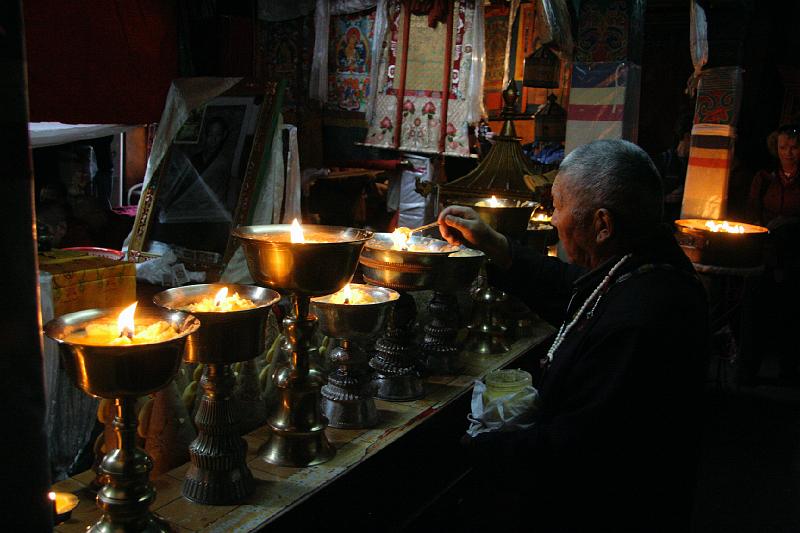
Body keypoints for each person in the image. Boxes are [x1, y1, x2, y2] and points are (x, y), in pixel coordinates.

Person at [438, 139, 709, 532]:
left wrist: (474, 448)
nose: (552, 219)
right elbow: (576, 290)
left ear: (603, 225)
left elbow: (578, 448)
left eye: (559, 205)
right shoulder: (638, 267)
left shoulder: (644, 318)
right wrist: (496, 245)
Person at [746, 124, 800, 383]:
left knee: (791, 317)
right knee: (757, 315)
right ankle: (748, 371)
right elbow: (752, 214)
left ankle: (788, 373)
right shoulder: (765, 179)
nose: (788, 153)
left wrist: (791, 223)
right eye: (783, 147)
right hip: (766, 256)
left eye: (794, 147)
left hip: (795, 259)